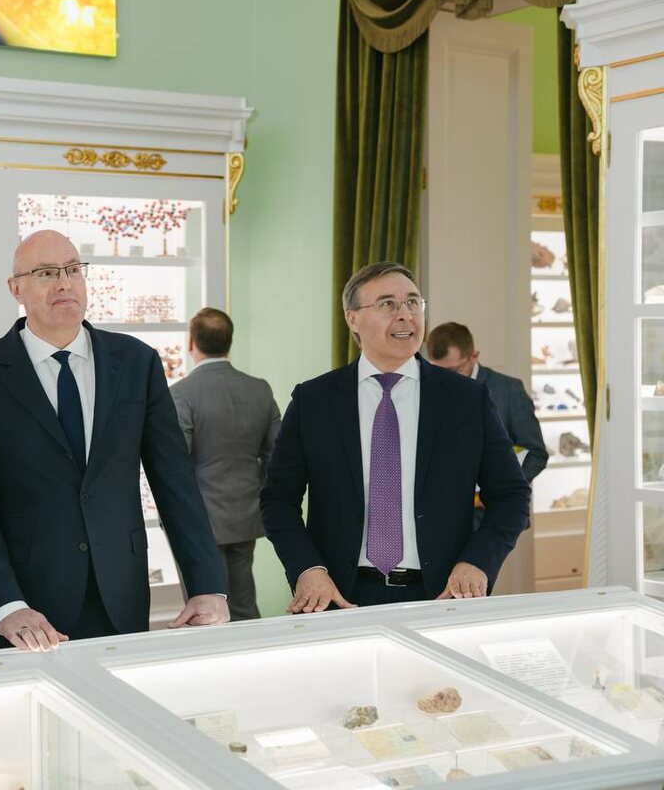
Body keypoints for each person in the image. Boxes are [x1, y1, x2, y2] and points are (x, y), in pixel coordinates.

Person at [0, 230, 228, 652]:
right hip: (25, 607)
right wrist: (5, 605)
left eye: (73, 270)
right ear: (15, 288)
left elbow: (175, 481)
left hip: (121, 595)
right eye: (46, 273)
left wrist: (206, 585)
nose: (64, 283)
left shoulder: (136, 363)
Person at [260, 262, 530, 612]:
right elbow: (278, 500)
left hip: (445, 595)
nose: (406, 315)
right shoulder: (314, 401)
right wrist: (307, 570)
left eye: (413, 303)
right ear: (352, 319)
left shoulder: (467, 399)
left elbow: (511, 495)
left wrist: (478, 562)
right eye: (387, 304)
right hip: (339, 597)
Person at [169, 308, 281, 621]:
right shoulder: (259, 388)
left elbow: (176, 464)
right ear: (230, 342)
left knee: (205, 607)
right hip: (246, 513)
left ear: (191, 343)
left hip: (198, 521)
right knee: (243, 603)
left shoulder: (181, 394)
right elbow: (276, 455)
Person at [426, 321, 548, 488]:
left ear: (474, 356)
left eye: (453, 371)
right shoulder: (425, 390)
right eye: (437, 371)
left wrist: (504, 491)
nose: (444, 379)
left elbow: (536, 454)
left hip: (497, 501)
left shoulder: (509, 390)